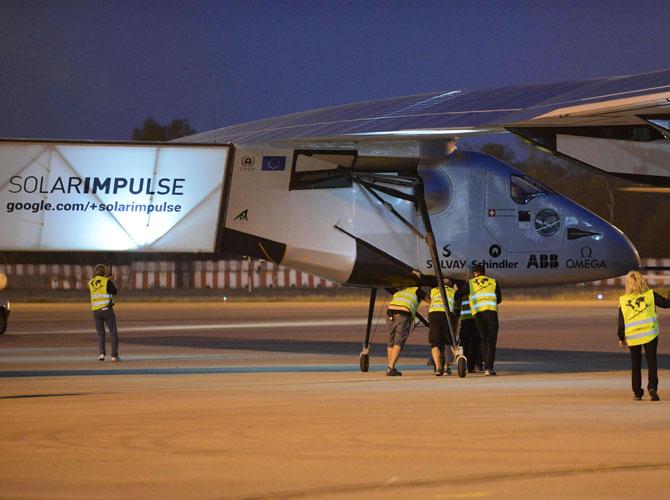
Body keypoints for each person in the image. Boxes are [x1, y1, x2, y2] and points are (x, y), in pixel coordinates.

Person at [617, 271, 669, 401]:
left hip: (633, 336)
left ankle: (637, 392)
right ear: (642, 281)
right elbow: (666, 304)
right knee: (652, 362)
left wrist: (621, 337)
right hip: (650, 334)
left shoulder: (623, 300)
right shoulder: (650, 295)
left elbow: (621, 321)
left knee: (635, 364)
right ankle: (652, 387)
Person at [469, 263, 502, 375]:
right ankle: (489, 368)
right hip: (491, 314)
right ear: (484, 272)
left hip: (478, 315)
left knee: (484, 339)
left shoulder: (470, 283)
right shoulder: (493, 282)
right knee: (491, 341)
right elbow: (499, 299)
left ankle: (482, 364)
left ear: (474, 273)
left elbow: (459, 294)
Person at [386, 286, 426, 376]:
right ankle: (391, 367)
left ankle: (390, 366)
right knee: (399, 342)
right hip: (404, 313)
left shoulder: (401, 290)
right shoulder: (417, 290)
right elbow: (431, 301)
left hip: (390, 312)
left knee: (391, 341)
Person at [88, 263, 120, 362]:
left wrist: (107, 279)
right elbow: (114, 291)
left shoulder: (91, 282)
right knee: (113, 332)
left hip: (95, 311)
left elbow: (99, 286)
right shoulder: (107, 281)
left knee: (100, 333)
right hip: (106, 309)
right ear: (104, 272)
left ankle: (101, 354)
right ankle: (114, 355)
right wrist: (110, 280)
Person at [428, 278, 456, 376]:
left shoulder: (434, 290)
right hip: (446, 314)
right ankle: (446, 368)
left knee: (435, 343)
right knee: (449, 341)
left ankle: (438, 368)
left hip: (433, 314)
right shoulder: (453, 291)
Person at [454, 279, 483, 373]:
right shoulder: (476, 294)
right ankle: (474, 365)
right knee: (475, 344)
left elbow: (457, 310)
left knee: (465, 344)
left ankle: (466, 364)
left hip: (465, 321)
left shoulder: (460, 295)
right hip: (476, 321)